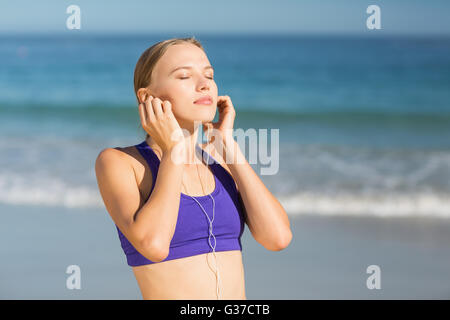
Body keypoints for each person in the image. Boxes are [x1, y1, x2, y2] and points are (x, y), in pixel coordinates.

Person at [95, 37, 292, 300]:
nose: (204, 85)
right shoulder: (120, 162)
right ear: (147, 96)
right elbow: (153, 245)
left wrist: (230, 148)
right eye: (184, 76)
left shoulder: (221, 165)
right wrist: (174, 151)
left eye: (209, 75)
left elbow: (277, 238)